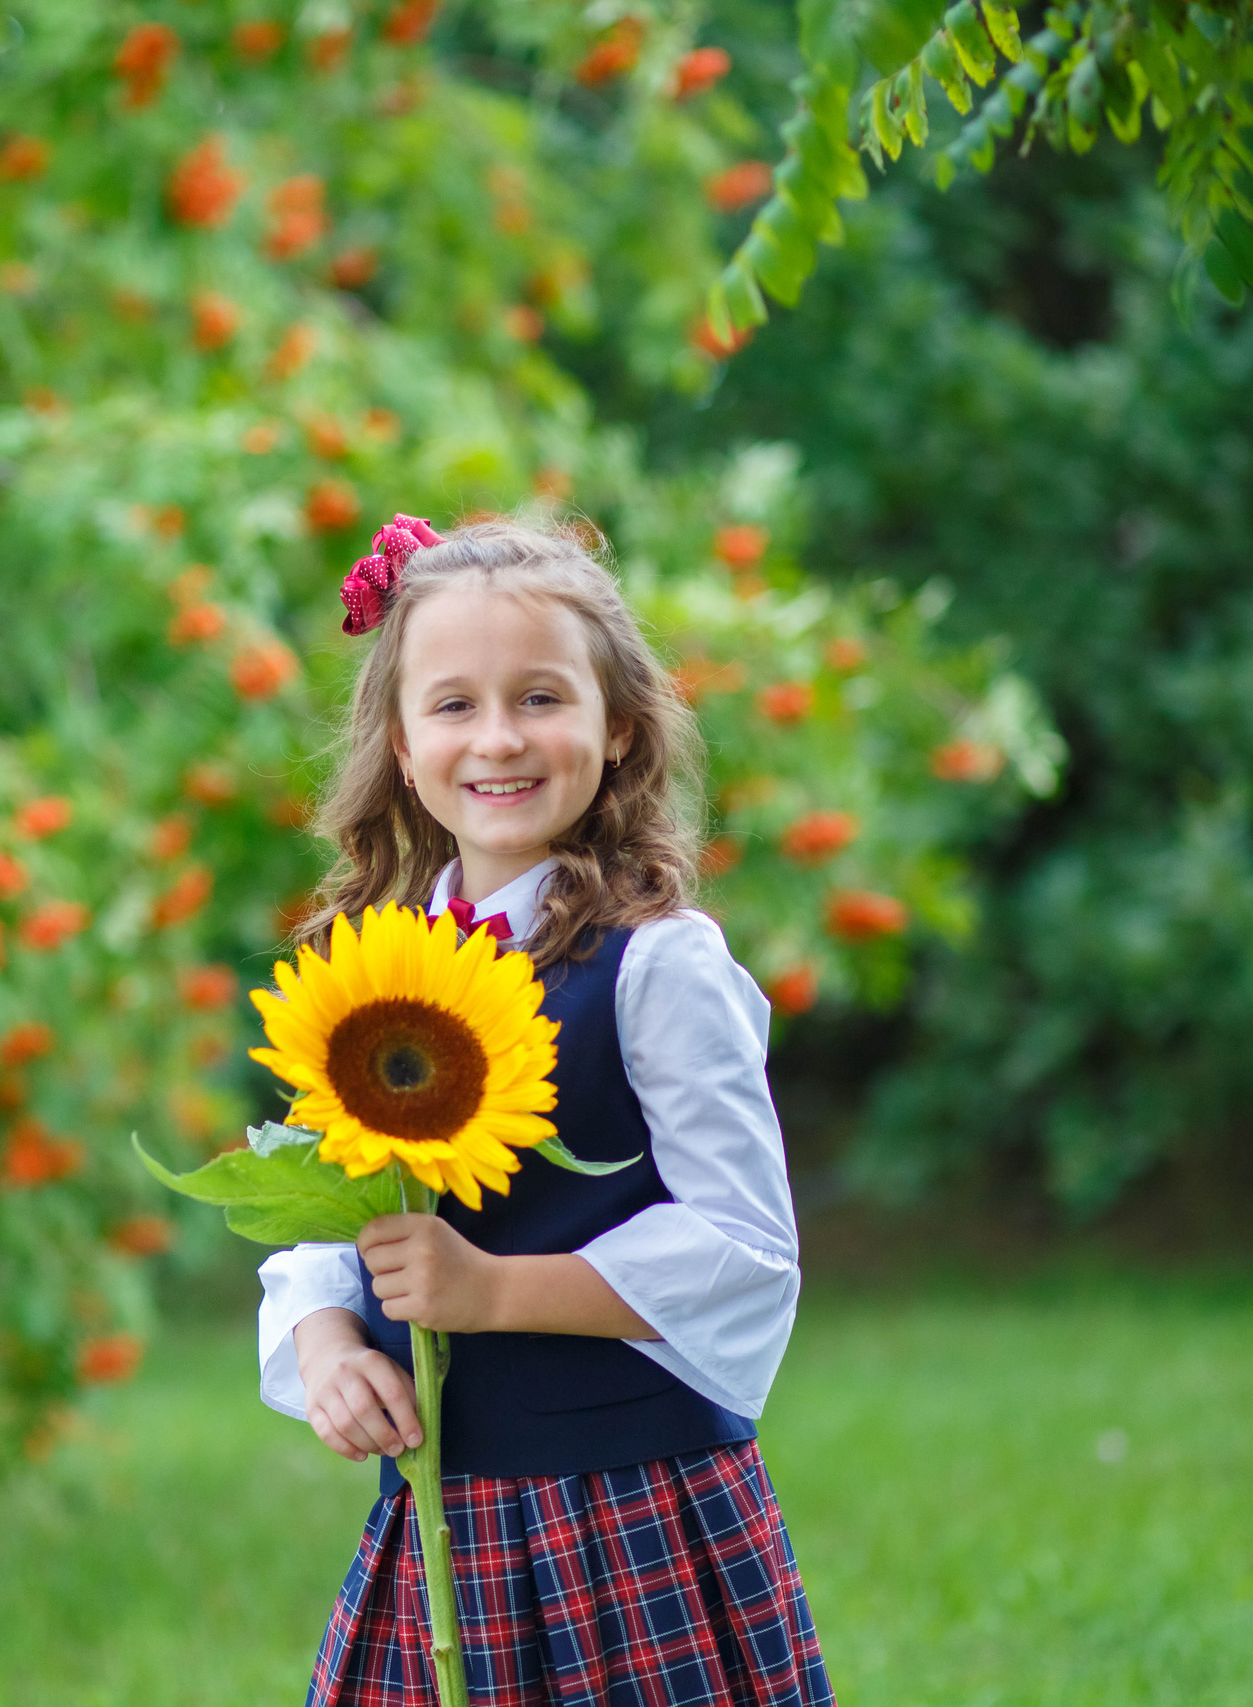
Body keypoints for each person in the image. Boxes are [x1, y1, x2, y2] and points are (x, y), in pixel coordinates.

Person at [257, 514, 832, 1707]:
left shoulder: (658, 966)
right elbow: (331, 1202)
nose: (498, 738)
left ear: (617, 727)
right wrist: (324, 1339)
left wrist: (493, 1292)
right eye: (454, 705)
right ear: (403, 748)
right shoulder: (378, 970)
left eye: (539, 697)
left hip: (626, 1524)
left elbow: (742, 1246)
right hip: (442, 1537)